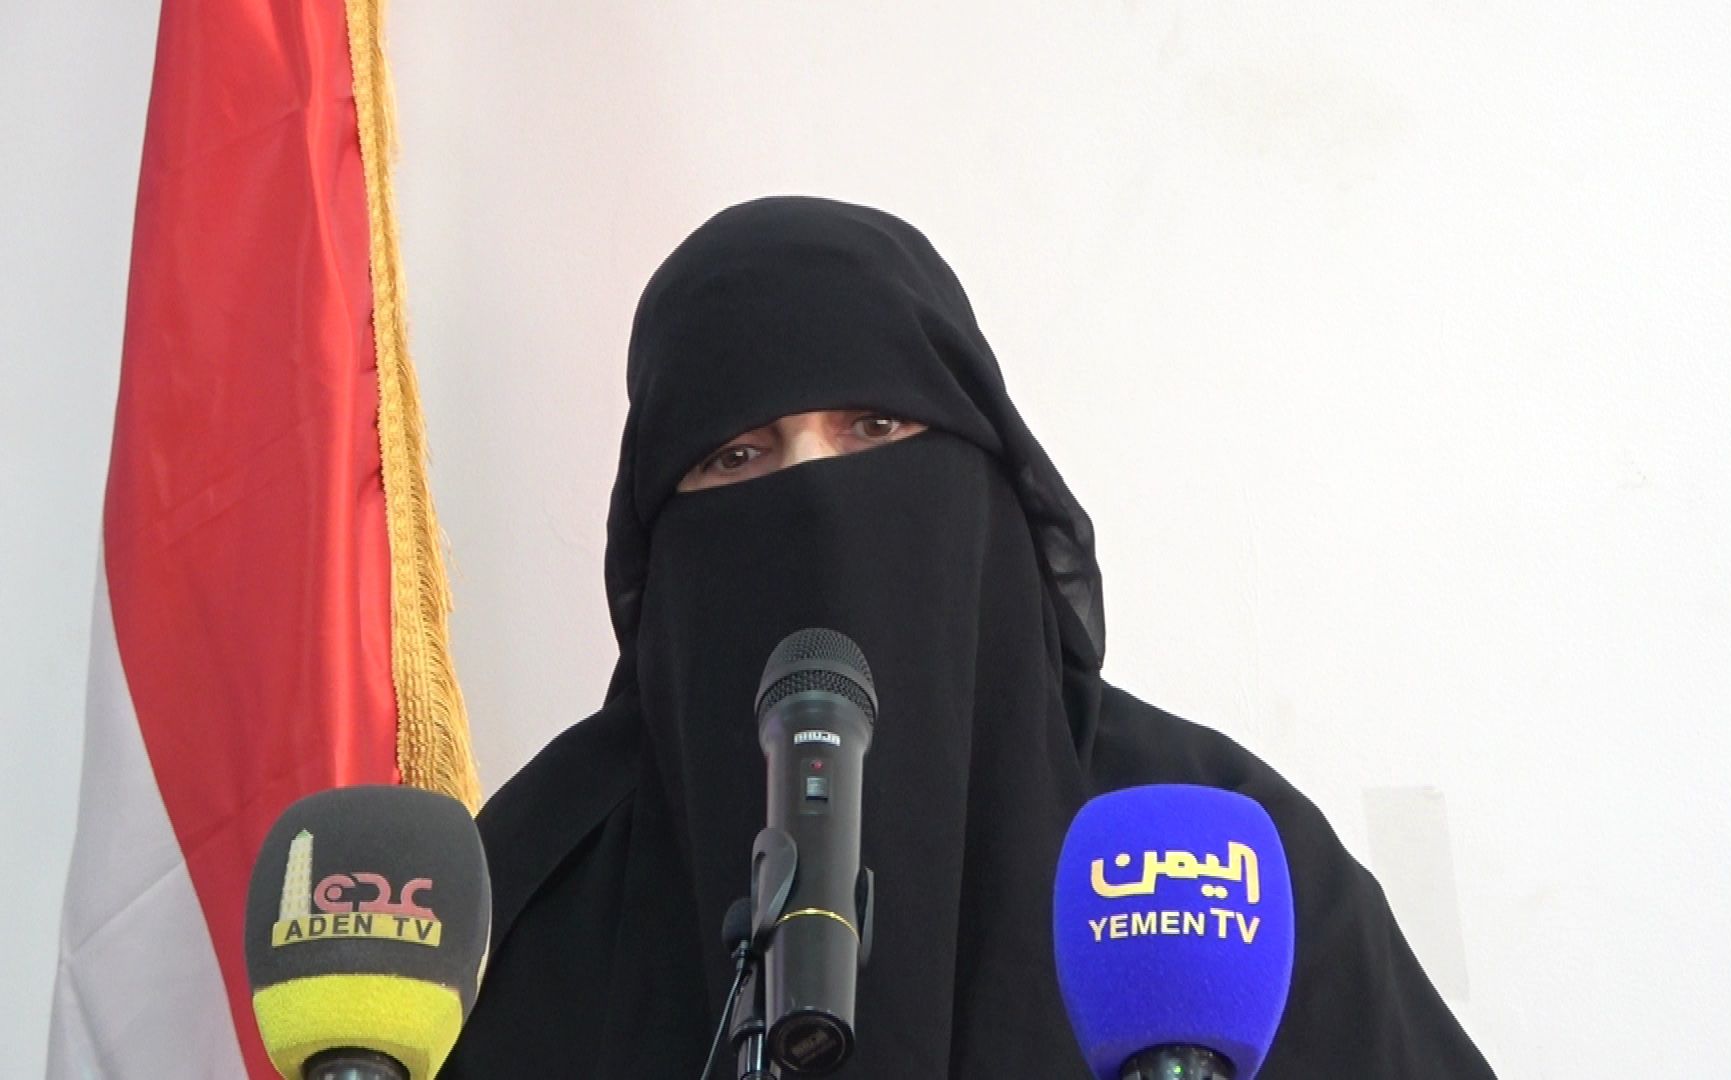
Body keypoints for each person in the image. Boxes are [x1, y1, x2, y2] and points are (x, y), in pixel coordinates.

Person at [440, 196, 1494, 1078]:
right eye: (737, 457)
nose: (817, 504)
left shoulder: (1207, 869)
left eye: (875, 428)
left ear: (986, 469)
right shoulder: (528, 898)